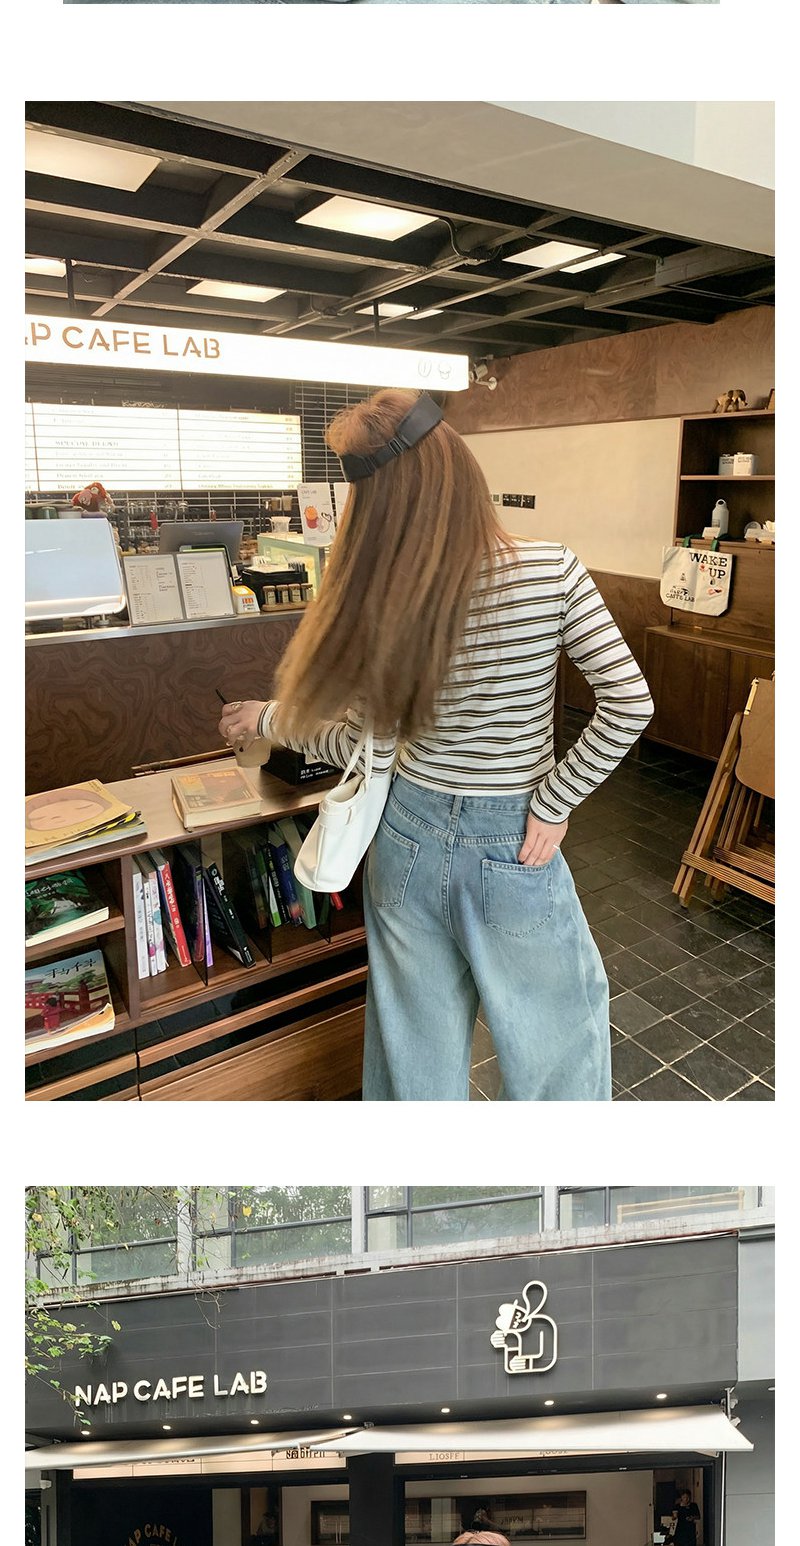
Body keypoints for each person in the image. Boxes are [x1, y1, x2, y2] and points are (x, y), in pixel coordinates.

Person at [220, 388, 654, 1101]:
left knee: (411, 1066)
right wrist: (553, 804)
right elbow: (629, 703)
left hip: (404, 840)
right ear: (459, 470)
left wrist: (267, 718)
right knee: (560, 1062)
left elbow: (351, 742)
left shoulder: (377, 599)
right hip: (513, 846)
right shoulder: (551, 570)